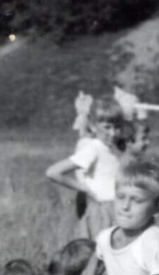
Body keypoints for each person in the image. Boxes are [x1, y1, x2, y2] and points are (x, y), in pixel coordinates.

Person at [45, 97, 125, 240]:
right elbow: (53, 172)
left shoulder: (110, 149)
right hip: (101, 211)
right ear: (93, 126)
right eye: (107, 127)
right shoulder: (93, 148)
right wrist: (85, 188)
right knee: (101, 254)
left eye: (117, 127)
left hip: (115, 209)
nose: (113, 133)